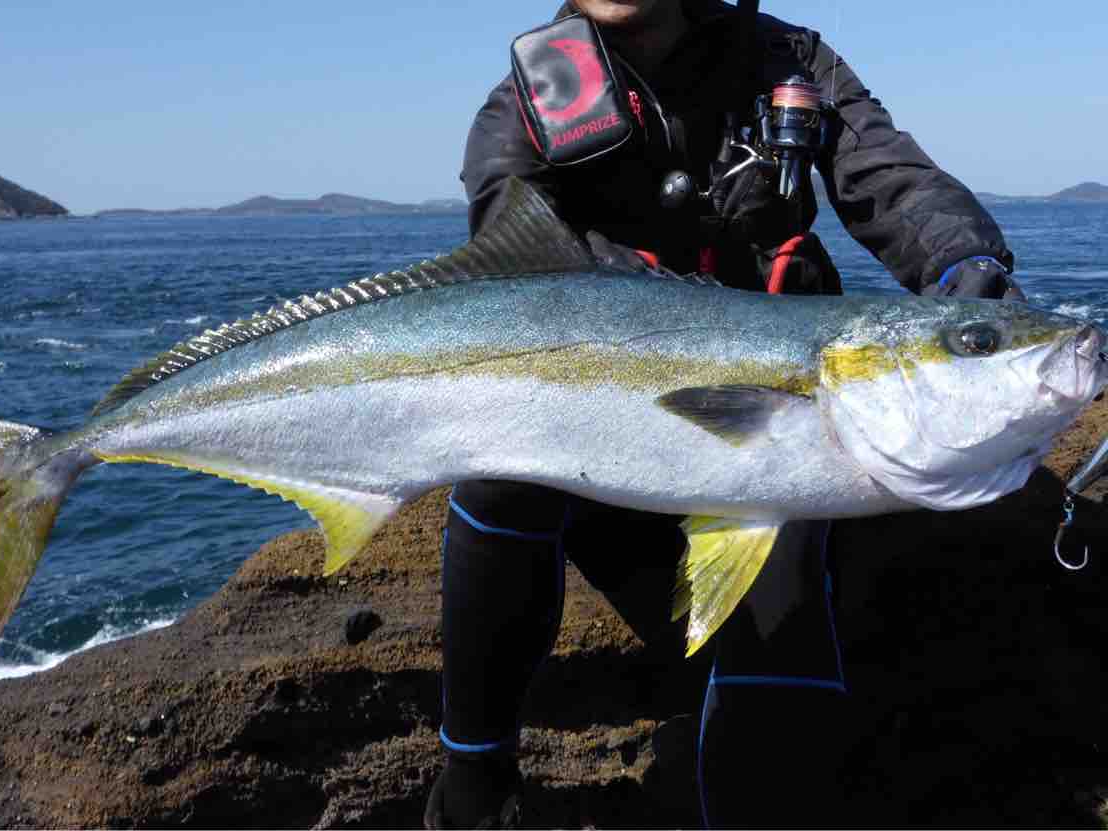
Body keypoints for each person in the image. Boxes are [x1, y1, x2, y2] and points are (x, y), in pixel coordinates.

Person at [424, 1, 1023, 828]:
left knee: (785, 634)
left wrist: (969, 265)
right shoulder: (524, 101)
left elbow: (893, 177)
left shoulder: (792, 59)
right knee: (496, 476)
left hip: (768, 445)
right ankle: (473, 790)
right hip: (604, 457)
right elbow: (511, 238)